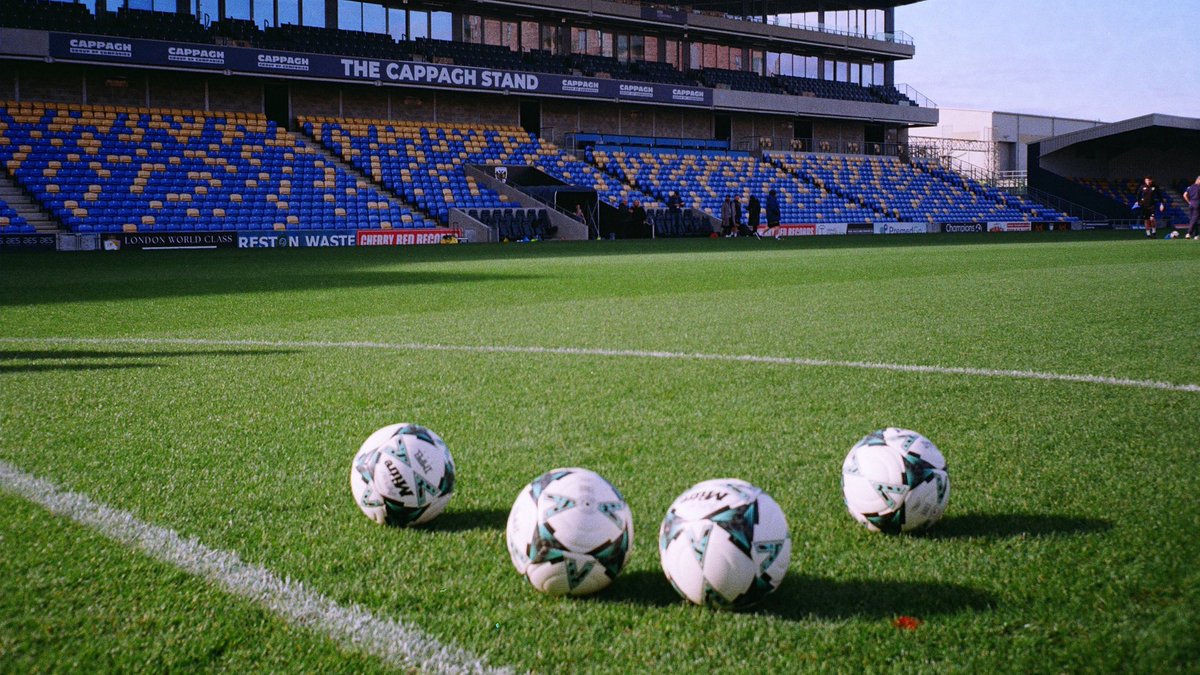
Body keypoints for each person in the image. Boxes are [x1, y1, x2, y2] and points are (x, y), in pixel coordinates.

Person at [1184, 176, 1200, 240]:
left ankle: (1196, 235)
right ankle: (1189, 233)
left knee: (1193, 219)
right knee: (1194, 219)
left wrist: (1189, 202)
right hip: (1198, 203)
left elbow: (1184, 195)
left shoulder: (1190, 187)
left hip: (1191, 204)